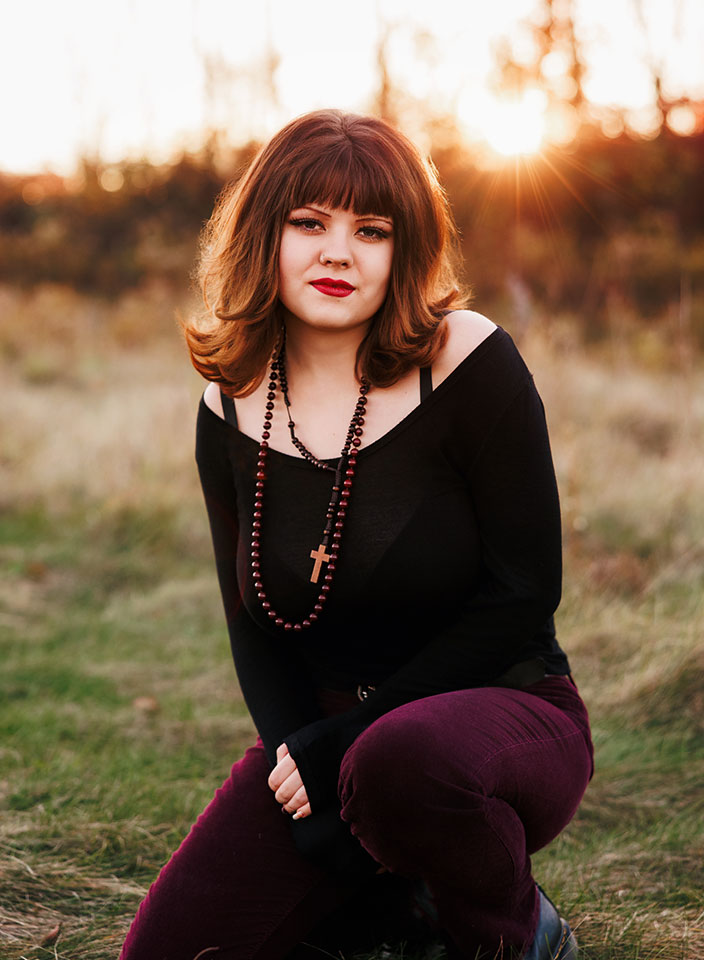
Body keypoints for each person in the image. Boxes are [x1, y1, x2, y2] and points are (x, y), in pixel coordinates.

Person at [119, 109, 593, 960]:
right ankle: (391, 901)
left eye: (370, 230)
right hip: (333, 741)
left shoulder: (466, 358)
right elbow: (251, 617)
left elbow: (525, 594)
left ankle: (516, 931)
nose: (338, 252)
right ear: (265, 235)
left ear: (402, 250)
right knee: (167, 950)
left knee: (398, 764)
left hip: (501, 716)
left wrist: (349, 745)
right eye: (309, 223)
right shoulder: (227, 405)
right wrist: (297, 754)